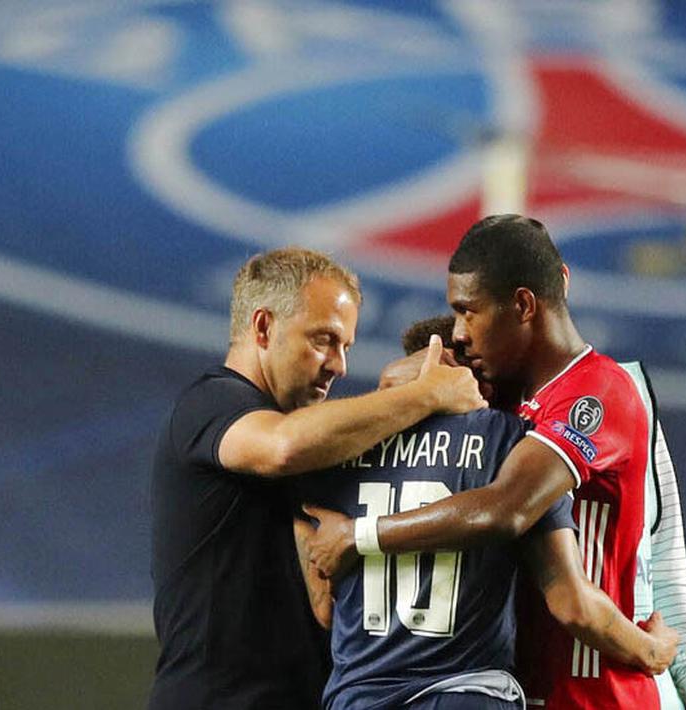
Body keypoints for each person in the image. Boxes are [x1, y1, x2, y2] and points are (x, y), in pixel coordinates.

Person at [304, 215, 686, 709]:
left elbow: (511, 509)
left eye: (468, 312)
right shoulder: (497, 402)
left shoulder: (600, 391)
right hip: (523, 691)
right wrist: (412, 384)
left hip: (599, 694)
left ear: (524, 305)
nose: (459, 333)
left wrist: (361, 535)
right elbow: (401, 378)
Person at [148, 247, 485, 710]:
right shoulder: (210, 405)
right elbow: (282, 446)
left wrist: (400, 387)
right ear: (263, 327)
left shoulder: (315, 444)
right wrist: (425, 395)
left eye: (346, 346)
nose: (338, 365)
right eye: (324, 340)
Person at [293, 318, 677, 709]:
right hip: (466, 693)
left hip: (358, 697)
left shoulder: (334, 453)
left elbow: (325, 609)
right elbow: (571, 601)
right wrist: (652, 649)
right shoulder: (513, 445)